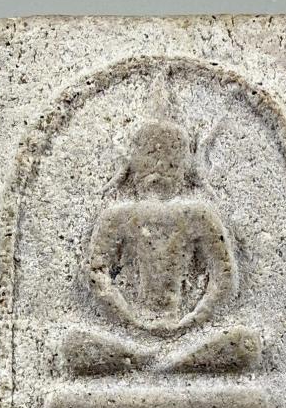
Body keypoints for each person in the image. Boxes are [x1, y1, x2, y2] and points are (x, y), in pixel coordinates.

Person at [87, 120, 237, 334]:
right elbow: (96, 274)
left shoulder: (199, 214)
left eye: (169, 159)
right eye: (149, 157)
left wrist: (194, 319)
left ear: (185, 166)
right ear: (132, 163)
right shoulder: (117, 216)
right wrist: (130, 320)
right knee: (75, 343)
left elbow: (224, 277)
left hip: (187, 330)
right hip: (130, 332)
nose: (158, 168)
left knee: (244, 342)